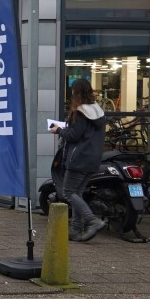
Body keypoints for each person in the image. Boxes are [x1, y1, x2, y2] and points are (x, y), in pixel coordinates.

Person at [52, 78, 107, 242]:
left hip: (79, 158)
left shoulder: (80, 112)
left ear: (76, 93)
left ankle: (92, 221)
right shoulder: (98, 110)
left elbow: (74, 136)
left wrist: (58, 130)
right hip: (93, 158)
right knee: (78, 193)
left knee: (68, 192)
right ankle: (75, 229)